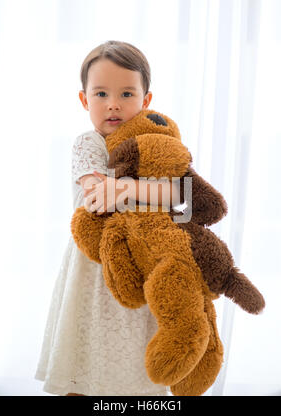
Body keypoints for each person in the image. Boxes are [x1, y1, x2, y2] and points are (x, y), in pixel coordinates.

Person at [35, 40, 178, 396]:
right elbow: (98, 196)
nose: (113, 103)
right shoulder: (89, 144)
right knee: (83, 370)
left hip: (142, 271)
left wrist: (128, 189)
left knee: (139, 375)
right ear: (84, 100)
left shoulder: (156, 146)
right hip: (95, 275)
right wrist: (145, 188)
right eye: (100, 94)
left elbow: (184, 198)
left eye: (127, 93)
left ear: (146, 101)